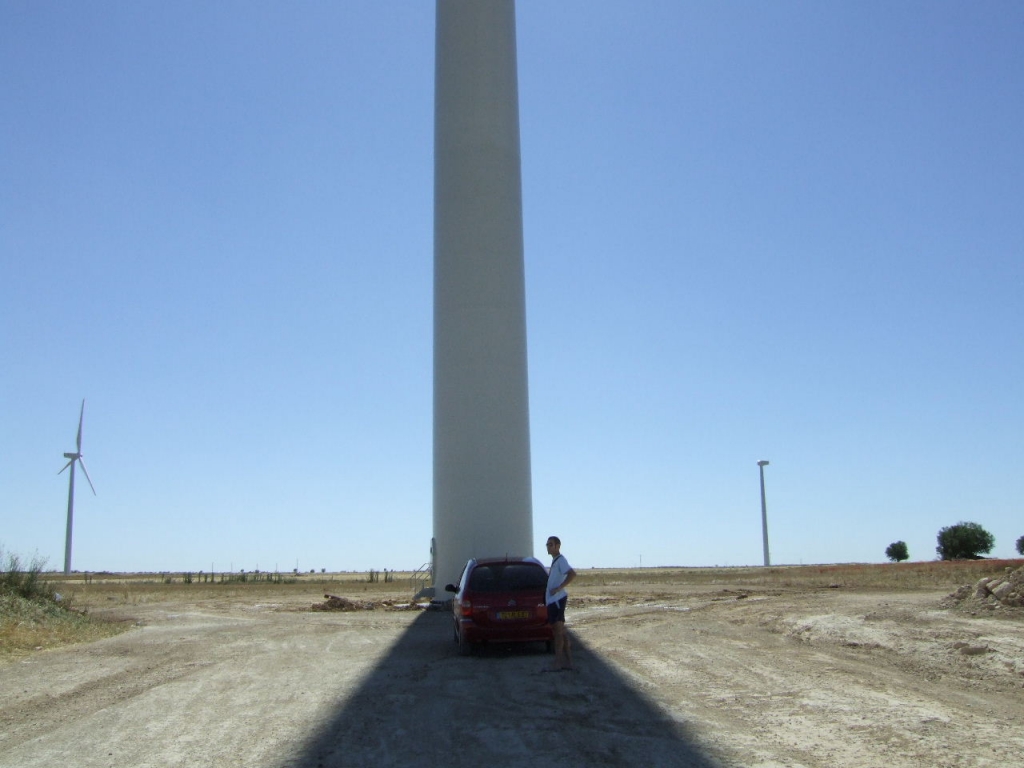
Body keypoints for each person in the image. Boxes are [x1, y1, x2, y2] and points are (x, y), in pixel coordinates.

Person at [545, 535, 576, 670]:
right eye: (547, 545)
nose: (548, 547)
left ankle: (558, 663)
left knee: (558, 633)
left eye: (551, 544)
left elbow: (572, 574)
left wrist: (559, 588)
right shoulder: (555, 561)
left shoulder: (561, 560)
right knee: (561, 632)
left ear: (558, 546)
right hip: (552, 601)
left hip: (557, 600)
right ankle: (569, 663)